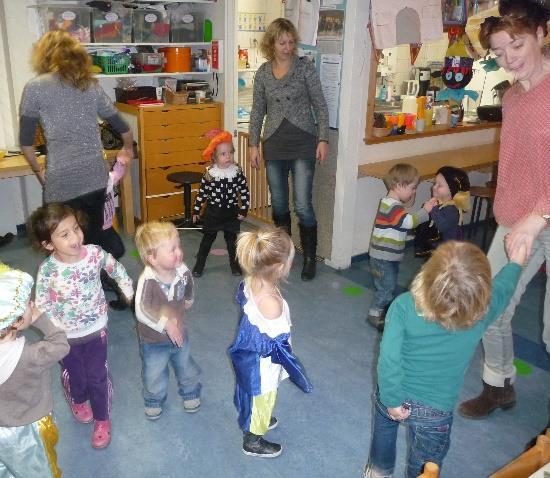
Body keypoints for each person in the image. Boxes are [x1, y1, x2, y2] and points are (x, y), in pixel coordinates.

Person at [364, 240, 527, 478]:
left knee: (384, 432)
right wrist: (516, 263)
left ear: (427, 273)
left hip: (393, 394)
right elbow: (503, 288)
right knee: (425, 466)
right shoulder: (482, 312)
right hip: (436, 410)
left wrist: (391, 399)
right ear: (482, 291)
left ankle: (378, 472)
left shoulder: (404, 306)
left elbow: (389, 359)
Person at [458, 0, 550, 419]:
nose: (509, 58)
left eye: (516, 44)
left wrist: (538, 215)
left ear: (542, 34)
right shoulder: (512, 98)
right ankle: (498, 386)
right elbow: (515, 164)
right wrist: (510, 215)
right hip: (519, 218)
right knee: (490, 306)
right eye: (498, 52)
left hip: (541, 217)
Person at [29, 203, 134, 449]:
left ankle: (102, 419)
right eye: (64, 234)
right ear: (48, 244)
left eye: (75, 228)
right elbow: (42, 304)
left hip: (96, 329)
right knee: (77, 377)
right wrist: (52, 332)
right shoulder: (47, 270)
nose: (75, 237)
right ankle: (77, 398)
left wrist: (127, 287)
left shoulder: (95, 254)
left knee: (97, 376)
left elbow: (115, 269)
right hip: (64, 337)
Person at [19, 30, 134, 247]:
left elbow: (26, 143)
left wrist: (38, 171)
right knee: (95, 239)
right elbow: (123, 128)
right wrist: (127, 148)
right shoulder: (90, 85)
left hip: (61, 180)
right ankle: (104, 276)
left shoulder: (35, 87)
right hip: (94, 177)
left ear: (44, 56)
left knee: (65, 243)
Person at [249, 18, 329, 281]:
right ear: (271, 43)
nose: (287, 47)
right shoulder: (262, 72)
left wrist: (323, 138)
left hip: (303, 141)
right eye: (281, 42)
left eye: (291, 42)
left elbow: (320, 105)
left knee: (303, 205)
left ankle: (308, 258)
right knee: (280, 204)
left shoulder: (305, 69)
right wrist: (253, 144)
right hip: (274, 143)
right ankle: (284, 254)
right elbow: (258, 110)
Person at [228, 227, 313, 458]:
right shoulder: (271, 302)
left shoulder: (253, 279)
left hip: (253, 354)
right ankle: (253, 440)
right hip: (262, 364)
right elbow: (278, 343)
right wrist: (293, 367)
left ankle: (260, 414)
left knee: (261, 398)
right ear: (280, 267)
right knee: (264, 394)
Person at [0, 264, 69, 478]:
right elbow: (61, 344)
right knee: (41, 470)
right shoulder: (33, 354)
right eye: (29, 304)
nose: (33, 304)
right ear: (18, 321)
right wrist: (41, 319)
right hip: (31, 429)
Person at [134, 221, 202, 420]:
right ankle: (154, 399)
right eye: (172, 249)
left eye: (178, 246)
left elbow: (188, 286)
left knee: (186, 366)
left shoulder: (182, 270)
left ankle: (190, 392)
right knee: (154, 373)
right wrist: (166, 324)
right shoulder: (148, 280)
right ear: (152, 258)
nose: (179, 252)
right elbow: (142, 310)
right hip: (153, 341)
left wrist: (189, 300)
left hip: (180, 334)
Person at [366, 164, 431, 331]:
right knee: (386, 288)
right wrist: (425, 211)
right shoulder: (391, 206)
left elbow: (401, 225)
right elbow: (408, 223)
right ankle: (376, 314)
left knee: (387, 286)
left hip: (387, 257)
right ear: (398, 185)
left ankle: (384, 313)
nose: (414, 192)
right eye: (412, 188)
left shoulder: (392, 204)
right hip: (383, 258)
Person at [192, 130, 250, 277]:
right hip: (213, 213)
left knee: (232, 242)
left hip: (231, 213)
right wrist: (196, 210)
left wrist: (244, 209)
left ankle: (235, 265)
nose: (228, 156)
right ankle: (199, 264)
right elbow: (202, 193)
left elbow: (244, 192)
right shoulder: (210, 174)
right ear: (214, 157)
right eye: (223, 154)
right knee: (207, 240)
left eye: (230, 152)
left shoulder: (237, 172)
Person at [414, 166, 470, 257]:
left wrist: (432, 209)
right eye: (435, 183)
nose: (434, 187)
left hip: (448, 251)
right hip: (438, 246)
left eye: (439, 185)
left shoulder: (452, 209)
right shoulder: (440, 203)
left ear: (453, 189)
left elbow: (441, 226)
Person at [101, 156, 128, 311]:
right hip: (95, 231)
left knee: (117, 252)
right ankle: (109, 281)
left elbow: (117, 172)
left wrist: (120, 162)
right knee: (107, 261)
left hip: (107, 228)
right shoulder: (89, 186)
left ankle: (107, 278)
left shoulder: (109, 179)